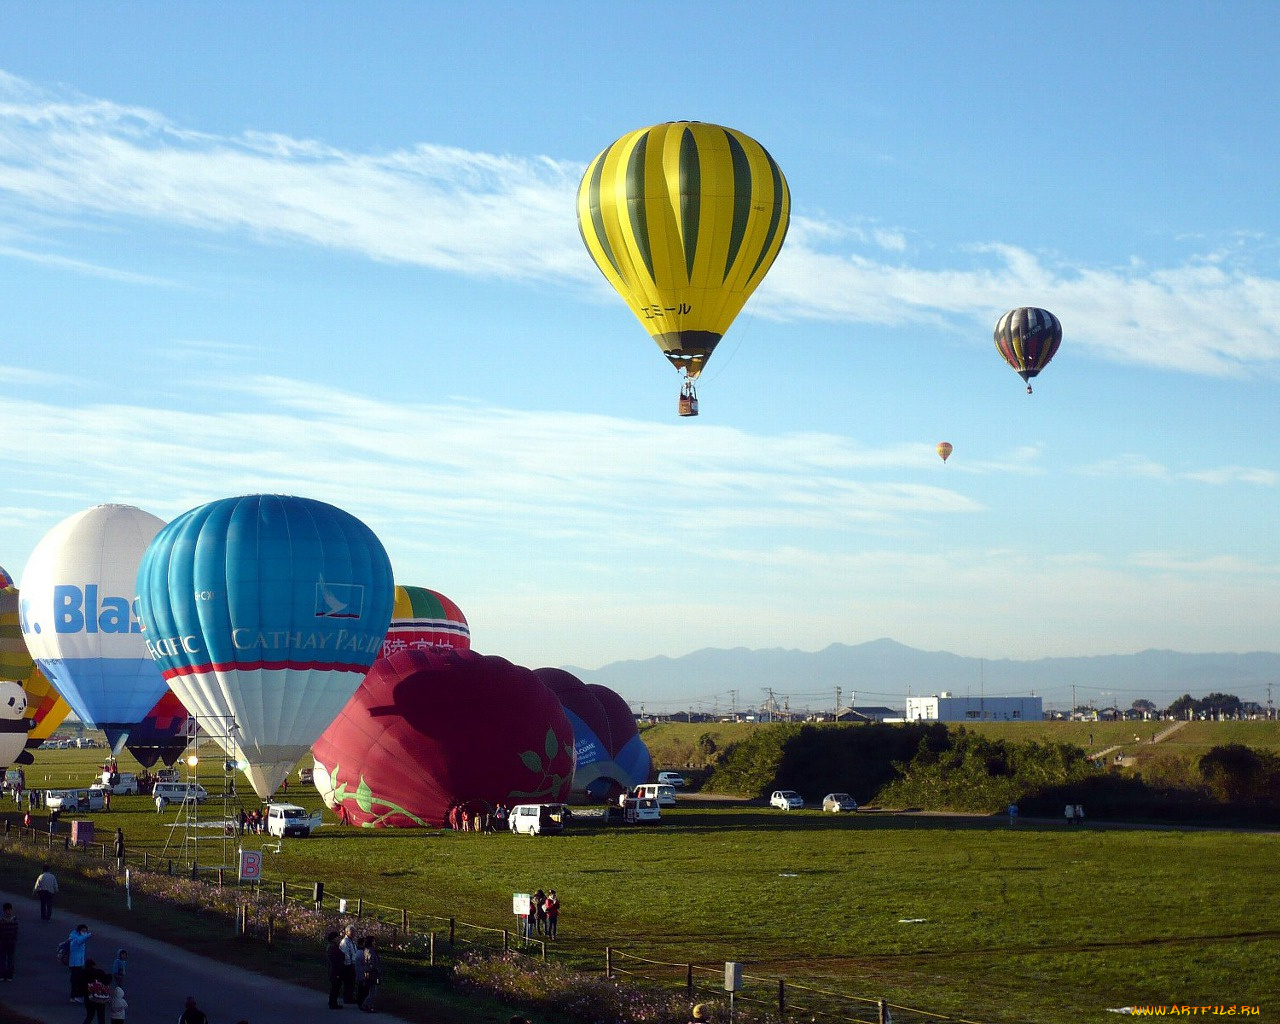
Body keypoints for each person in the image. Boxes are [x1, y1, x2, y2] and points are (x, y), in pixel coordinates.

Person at [81, 958, 112, 1024]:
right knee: (101, 1017)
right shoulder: (99, 972)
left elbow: (81, 986)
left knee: (90, 1016)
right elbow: (107, 981)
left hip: (89, 998)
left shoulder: (83, 973)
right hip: (100, 997)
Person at [68, 923, 92, 1001]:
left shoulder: (74, 937)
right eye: (83, 930)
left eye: (85, 931)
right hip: (75, 964)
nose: (84, 932)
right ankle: (75, 996)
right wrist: (88, 935)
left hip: (76, 963)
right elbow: (80, 940)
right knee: (77, 980)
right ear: (79, 931)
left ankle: (74, 996)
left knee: (76, 980)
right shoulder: (76, 939)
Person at [360, 935, 381, 1013]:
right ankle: (367, 1005)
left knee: (373, 990)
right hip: (373, 973)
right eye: (373, 941)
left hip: (372, 972)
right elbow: (370, 962)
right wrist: (374, 969)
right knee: (373, 991)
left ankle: (368, 1005)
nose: (374, 942)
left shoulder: (369, 950)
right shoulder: (369, 951)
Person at [339, 925, 358, 1005]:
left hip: (353, 964)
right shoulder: (345, 942)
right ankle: (347, 997)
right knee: (348, 982)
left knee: (352, 982)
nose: (353, 933)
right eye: (352, 931)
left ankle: (350, 996)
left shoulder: (352, 942)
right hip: (348, 965)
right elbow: (345, 954)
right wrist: (349, 963)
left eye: (354, 931)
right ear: (347, 932)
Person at [325, 930, 344, 1009]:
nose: (339, 938)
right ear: (333, 938)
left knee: (335, 987)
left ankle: (332, 1002)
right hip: (335, 970)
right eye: (337, 937)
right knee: (335, 987)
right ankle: (333, 1003)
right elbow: (338, 958)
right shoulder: (333, 948)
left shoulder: (331, 946)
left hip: (333, 969)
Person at [0, 902, 17, 981]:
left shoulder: (14, 920)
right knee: (3, 959)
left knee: (10, 960)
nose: (9, 912)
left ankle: (9, 975)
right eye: (8, 910)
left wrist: (14, 939)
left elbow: (16, 931)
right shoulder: (2, 920)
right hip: (4, 942)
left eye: (10, 910)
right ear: (4, 911)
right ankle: (2, 975)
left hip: (10, 942)